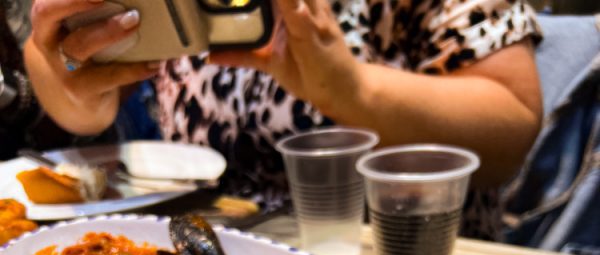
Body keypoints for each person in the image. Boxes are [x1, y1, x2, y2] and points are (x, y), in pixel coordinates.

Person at [24, 0, 544, 238]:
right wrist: (68, 77)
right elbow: (77, 100)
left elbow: (512, 126)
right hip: (219, 245)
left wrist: (355, 91)